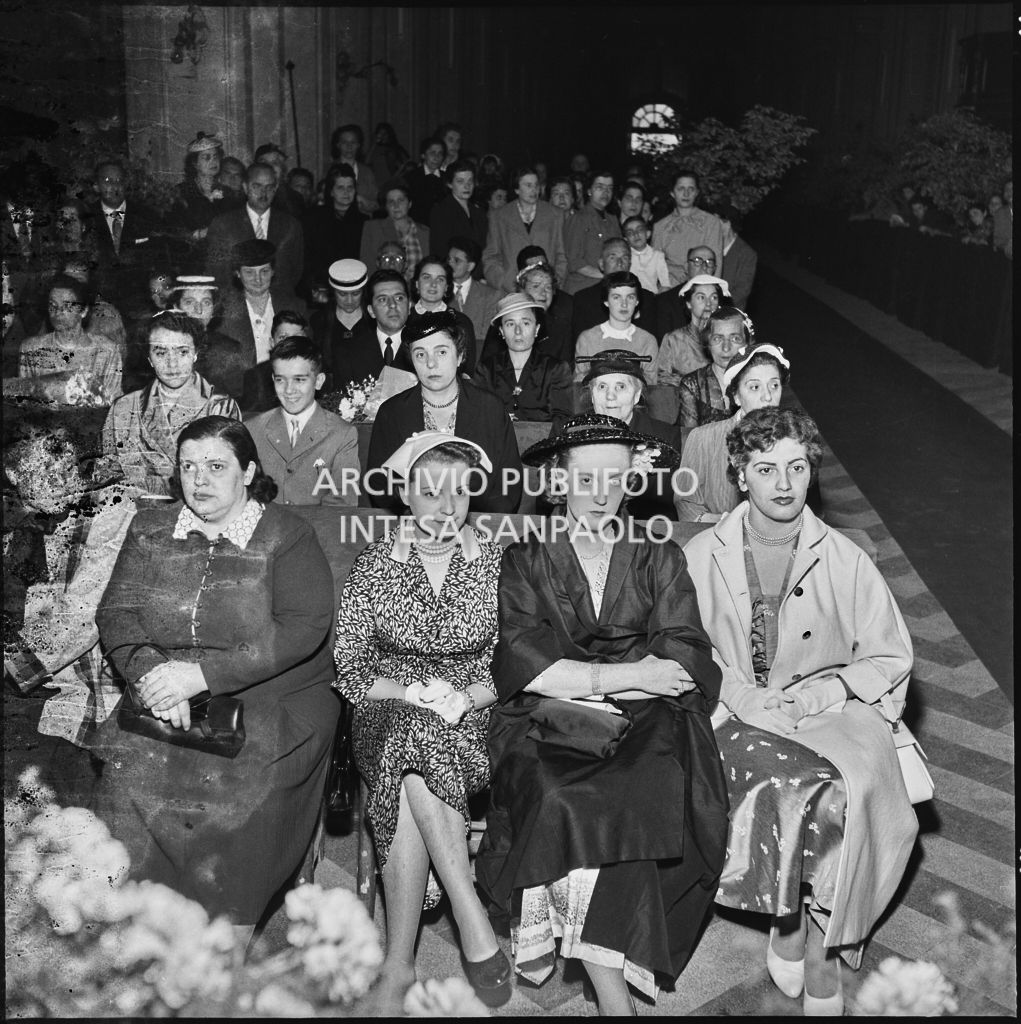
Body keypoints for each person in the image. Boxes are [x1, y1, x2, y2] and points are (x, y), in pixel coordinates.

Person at [475, 413, 729, 1014]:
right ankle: (615, 994)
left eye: (613, 478)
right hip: (548, 720)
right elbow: (528, 668)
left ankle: (611, 987)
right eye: (585, 478)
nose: (599, 492)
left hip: (651, 718)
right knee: (560, 797)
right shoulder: (525, 559)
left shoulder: (658, 554)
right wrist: (633, 673)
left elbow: (684, 657)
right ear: (559, 480)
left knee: (642, 792)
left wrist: (599, 679)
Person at [684, 407, 918, 1015]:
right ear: (740, 474)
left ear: (812, 471)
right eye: (766, 469)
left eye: (796, 467)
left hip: (833, 707)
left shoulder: (845, 556)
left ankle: (821, 943)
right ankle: (785, 917)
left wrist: (824, 693)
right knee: (786, 784)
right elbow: (683, 644)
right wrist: (741, 696)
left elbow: (890, 655)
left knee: (850, 789)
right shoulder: (701, 553)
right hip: (734, 707)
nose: (784, 484)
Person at [93, 416, 340, 943]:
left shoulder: (286, 534)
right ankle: (149, 931)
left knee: (245, 789)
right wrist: (153, 676)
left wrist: (201, 676)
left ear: (248, 472)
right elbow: (117, 612)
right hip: (166, 687)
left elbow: (303, 628)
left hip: (274, 694)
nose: (199, 479)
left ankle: (224, 944)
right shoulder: (150, 529)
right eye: (188, 467)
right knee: (127, 772)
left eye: (215, 466)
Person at [334, 431, 509, 1009]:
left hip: (471, 720)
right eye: (431, 492)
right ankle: (468, 908)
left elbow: (516, 662)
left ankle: (398, 961)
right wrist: (409, 691)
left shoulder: (497, 563)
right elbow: (351, 668)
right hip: (383, 710)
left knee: (415, 753)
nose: (446, 506)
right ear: (406, 495)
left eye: (459, 491)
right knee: (409, 729)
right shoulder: (374, 564)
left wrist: (466, 699)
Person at [366, 310, 523, 514]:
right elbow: (379, 485)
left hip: (478, 522)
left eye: (441, 352)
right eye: (420, 354)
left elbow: (508, 487)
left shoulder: (490, 409)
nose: (431, 363)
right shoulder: (392, 413)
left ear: (460, 356)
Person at [101, 310, 240, 494]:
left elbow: (226, 478)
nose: (172, 363)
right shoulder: (124, 408)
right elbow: (108, 476)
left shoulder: (221, 408)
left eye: (182, 352)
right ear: (149, 358)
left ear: (196, 353)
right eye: (161, 353)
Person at [675, 342, 788, 523]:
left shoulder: (795, 441)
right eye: (755, 387)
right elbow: (686, 502)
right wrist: (723, 522)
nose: (767, 396)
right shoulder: (703, 438)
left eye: (774, 385)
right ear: (736, 396)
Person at [247, 335, 359, 506]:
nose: (289, 390)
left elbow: (341, 505)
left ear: (319, 381)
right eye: (280, 380)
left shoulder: (342, 435)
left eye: (299, 379)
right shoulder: (252, 429)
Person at [577, 350, 682, 520]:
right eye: (602, 386)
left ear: (637, 395)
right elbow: (550, 497)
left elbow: (663, 505)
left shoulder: (665, 437)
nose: (610, 396)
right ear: (592, 395)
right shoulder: (567, 433)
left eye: (621, 386)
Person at [219, 239, 306, 410]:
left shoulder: (295, 306)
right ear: (237, 273)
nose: (258, 279)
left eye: (264, 271)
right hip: (241, 400)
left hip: (290, 394)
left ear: (273, 271)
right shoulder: (223, 311)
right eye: (249, 272)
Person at [472, 292, 572, 429]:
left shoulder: (555, 369)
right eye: (510, 324)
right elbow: (478, 416)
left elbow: (562, 420)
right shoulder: (486, 370)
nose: (518, 331)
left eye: (525, 323)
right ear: (501, 331)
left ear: (536, 329)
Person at [18, 273, 122, 403]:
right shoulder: (32, 350)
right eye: (53, 306)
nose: (58, 312)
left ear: (83, 311)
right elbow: (24, 401)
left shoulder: (106, 351)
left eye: (67, 306)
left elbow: (114, 402)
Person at [205, 162, 304, 296]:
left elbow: (295, 271)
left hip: (279, 301)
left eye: (269, 187)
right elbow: (217, 272)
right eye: (257, 186)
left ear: (275, 189)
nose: (263, 193)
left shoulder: (291, 225)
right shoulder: (223, 224)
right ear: (245, 187)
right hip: (236, 302)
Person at [88, 159, 166, 307]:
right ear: (96, 186)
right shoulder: (86, 217)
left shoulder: (147, 215)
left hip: (141, 299)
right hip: (98, 301)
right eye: (108, 180)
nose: (115, 186)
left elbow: (161, 259)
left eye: (119, 180)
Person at [327, 268, 415, 392]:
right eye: (382, 299)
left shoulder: (424, 347)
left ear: (409, 306)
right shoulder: (349, 352)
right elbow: (339, 399)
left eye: (399, 298)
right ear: (371, 311)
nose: (392, 305)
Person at [483, 166, 567, 293]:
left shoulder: (555, 214)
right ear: (517, 189)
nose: (534, 190)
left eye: (536, 185)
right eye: (528, 185)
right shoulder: (499, 216)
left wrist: (554, 282)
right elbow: (491, 257)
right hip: (511, 289)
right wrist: (504, 283)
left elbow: (562, 255)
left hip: (547, 289)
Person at [569, 236, 660, 343]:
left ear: (630, 263)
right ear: (601, 264)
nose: (620, 263)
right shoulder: (584, 299)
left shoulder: (646, 298)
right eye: (612, 258)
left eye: (625, 257)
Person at [573, 271, 658, 383]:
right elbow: (579, 383)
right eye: (616, 297)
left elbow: (651, 384)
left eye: (630, 297)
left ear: (637, 301)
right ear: (606, 301)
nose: (624, 304)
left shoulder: (647, 340)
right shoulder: (587, 339)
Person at [676, 304, 751, 431]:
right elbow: (688, 437)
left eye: (735, 338)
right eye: (717, 339)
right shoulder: (693, 384)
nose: (726, 348)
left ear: (746, 344)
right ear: (707, 343)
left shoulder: (759, 380)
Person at [172, 274, 247, 399]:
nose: (199, 310)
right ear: (176, 307)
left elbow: (238, 401)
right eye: (189, 302)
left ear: (213, 310)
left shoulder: (228, 349)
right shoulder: (161, 348)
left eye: (206, 302)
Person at [302, 163, 367, 298]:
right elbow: (307, 257)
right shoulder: (313, 218)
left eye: (350, 187)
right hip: (321, 288)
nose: (346, 192)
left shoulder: (365, 222)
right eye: (340, 187)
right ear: (331, 191)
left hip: (354, 288)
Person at [652, 171, 724, 289]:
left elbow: (716, 264)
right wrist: (671, 268)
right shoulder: (661, 226)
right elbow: (653, 263)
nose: (686, 194)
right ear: (672, 193)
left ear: (696, 193)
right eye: (681, 189)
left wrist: (712, 290)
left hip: (700, 287)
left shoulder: (711, 223)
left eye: (691, 189)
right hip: (668, 287)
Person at [406, 255, 477, 373]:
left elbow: (467, 367)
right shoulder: (404, 319)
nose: (433, 284)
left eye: (440, 279)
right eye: (427, 277)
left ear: (447, 287)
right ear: (417, 284)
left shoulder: (461, 322)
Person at [657, 274, 730, 385]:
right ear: (689, 303)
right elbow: (661, 378)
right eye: (701, 297)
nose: (709, 303)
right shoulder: (674, 339)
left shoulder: (727, 339)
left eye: (714, 298)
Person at [310, 258, 370, 389]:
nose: (349, 301)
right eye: (342, 294)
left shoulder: (374, 318)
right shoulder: (319, 321)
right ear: (333, 292)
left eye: (355, 294)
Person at [564, 170, 622, 294]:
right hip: (583, 287)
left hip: (609, 287)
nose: (605, 192)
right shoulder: (578, 219)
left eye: (609, 188)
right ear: (589, 191)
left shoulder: (613, 220)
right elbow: (574, 262)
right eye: (600, 187)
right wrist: (606, 275)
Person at [360, 181, 430, 281]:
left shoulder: (425, 232)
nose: (396, 205)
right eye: (391, 201)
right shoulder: (373, 229)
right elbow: (367, 266)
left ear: (409, 204)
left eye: (400, 200)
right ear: (386, 206)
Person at [171, 133, 227, 248]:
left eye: (215, 156)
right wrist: (200, 234)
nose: (213, 161)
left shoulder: (227, 192)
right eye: (206, 157)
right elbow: (174, 233)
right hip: (192, 251)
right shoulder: (181, 193)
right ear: (195, 164)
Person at [429, 160, 488, 268]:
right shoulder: (441, 211)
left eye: (470, 181)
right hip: (453, 269)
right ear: (449, 184)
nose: (467, 186)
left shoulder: (478, 212)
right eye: (460, 181)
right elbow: (440, 250)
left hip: (477, 270)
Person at [446, 236, 500, 351]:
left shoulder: (490, 296)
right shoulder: (439, 293)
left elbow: (487, 338)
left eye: (456, 260)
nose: (450, 264)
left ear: (470, 266)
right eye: (449, 259)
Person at [656, 245, 723, 336]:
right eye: (697, 261)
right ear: (687, 266)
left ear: (714, 269)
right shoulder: (666, 301)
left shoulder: (723, 299)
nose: (704, 267)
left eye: (709, 262)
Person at [516, 261, 574, 364]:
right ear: (522, 291)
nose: (543, 292)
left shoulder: (561, 329)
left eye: (548, 287)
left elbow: (565, 369)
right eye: (536, 286)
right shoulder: (506, 323)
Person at [330, 124, 379, 216]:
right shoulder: (330, 170)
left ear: (358, 145)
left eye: (353, 142)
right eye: (344, 142)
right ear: (338, 145)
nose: (349, 147)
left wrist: (363, 202)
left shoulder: (367, 172)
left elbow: (375, 205)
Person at [718, 203, 758, 311]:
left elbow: (742, 291)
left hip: (728, 312)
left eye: (715, 223)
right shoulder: (710, 245)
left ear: (727, 225)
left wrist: (716, 306)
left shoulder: (747, 254)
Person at [405, 136, 448, 227]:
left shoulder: (447, 178)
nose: (436, 157)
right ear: (423, 155)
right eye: (432, 153)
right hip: (418, 225)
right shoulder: (411, 177)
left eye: (440, 153)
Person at [624, 215, 670, 293]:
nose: (636, 234)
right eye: (630, 233)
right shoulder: (626, 257)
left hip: (652, 295)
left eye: (640, 230)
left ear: (648, 234)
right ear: (626, 239)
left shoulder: (657, 256)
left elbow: (665, 283)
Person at [365, 122, 410, 186]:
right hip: (377, 184)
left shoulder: (396, 148)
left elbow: (406, 165)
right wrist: (374, 144)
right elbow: (366, 162)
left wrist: (395, 178)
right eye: (380, 134)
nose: (382, 136)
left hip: (393, 183)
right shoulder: (375, 148)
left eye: (385, 134)